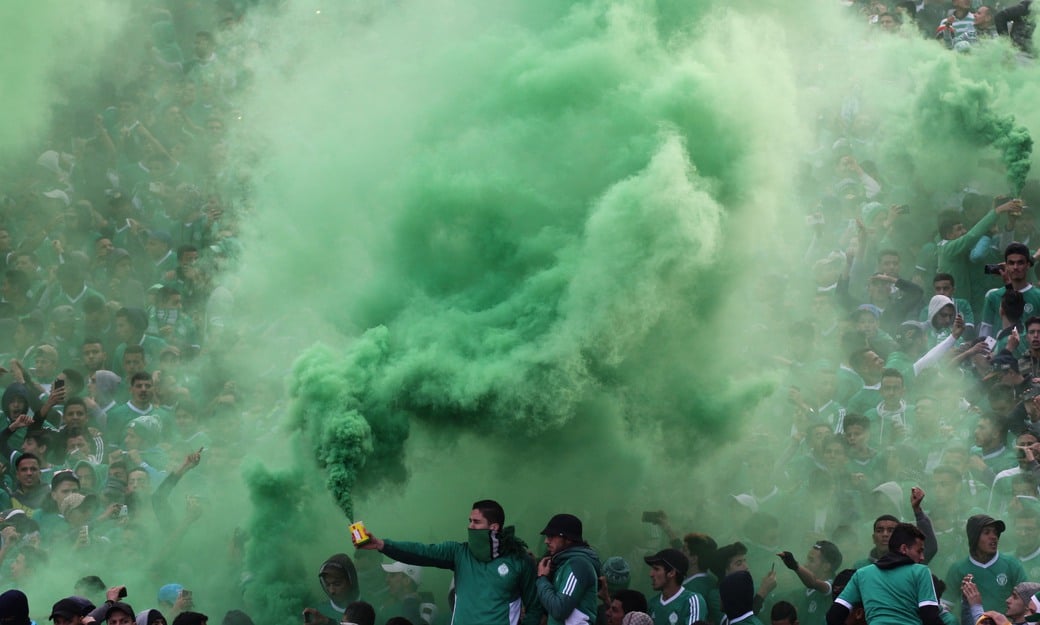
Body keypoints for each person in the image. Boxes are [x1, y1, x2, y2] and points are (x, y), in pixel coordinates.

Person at [357, 499, 542, 625]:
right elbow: (422, 552)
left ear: (494, 527)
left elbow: (534, 608)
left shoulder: (519, 561)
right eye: (469, 521)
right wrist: (382, 545)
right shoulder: (459, 553)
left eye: (476, 522)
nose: (470, 526)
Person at [825, 523, 942, 625]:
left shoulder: (862, 574)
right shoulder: (921, 572)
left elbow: (833, 616)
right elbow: (930, 617)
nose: (922, 557)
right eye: (919, 551)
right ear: (904, 549)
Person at [944, 515, 1026, 623]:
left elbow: (1028, 602)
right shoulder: (958, 569)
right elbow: (945, 606)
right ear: (974, 537)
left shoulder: (1012, 565)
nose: (994, 537)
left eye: (995, 532)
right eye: (987, 532)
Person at [535, 513, 601, 625]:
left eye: (552, 536)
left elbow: (559, 609)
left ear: (569, 539)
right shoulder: (564, 564)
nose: (546, 541)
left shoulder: (579, 565)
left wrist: (542, 578)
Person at [643, 548, 705, 625]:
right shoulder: (652, 604)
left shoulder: (692, 601)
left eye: (656, 569)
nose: (651, 574)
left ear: (672, 572)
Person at [302, 554, 360, 624]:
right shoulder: (318, 612)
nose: (331, 591)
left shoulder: (369, 609)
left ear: (351, 581)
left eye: (337, 584)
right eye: (327, 584)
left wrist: (328, 622)